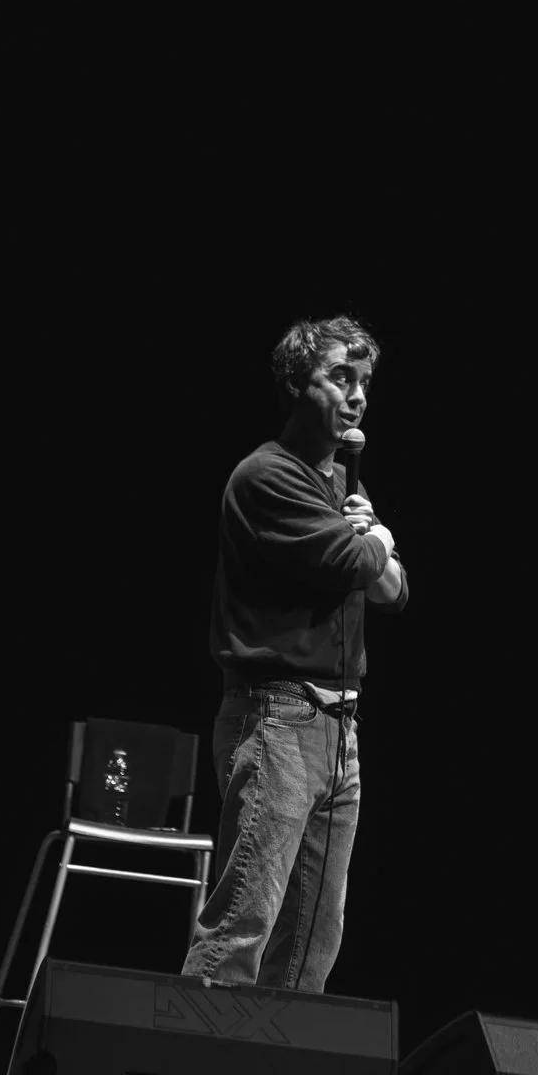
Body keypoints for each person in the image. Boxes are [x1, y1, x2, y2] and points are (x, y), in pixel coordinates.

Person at [180, 315, 408, 994]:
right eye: (342, 378)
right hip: (277, 718)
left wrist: (376, 548)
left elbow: (396, 590)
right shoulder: (266, 477)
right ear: (296, 384)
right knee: (243, 922)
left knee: (312, 937)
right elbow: (355, 560)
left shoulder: (340, 485)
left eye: (364, 381)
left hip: (340, 730)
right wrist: (381, 538)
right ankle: (179, 1074)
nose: (359, 395)